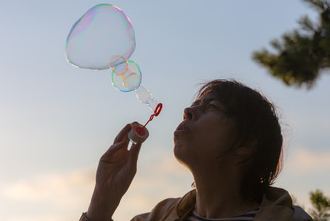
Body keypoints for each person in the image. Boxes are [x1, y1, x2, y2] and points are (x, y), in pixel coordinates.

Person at [79, 79, 313, 221]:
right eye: (193, 105)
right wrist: (103, 200)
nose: (188, 111)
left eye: (211, 106)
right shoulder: (158, 217)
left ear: (247, 144)